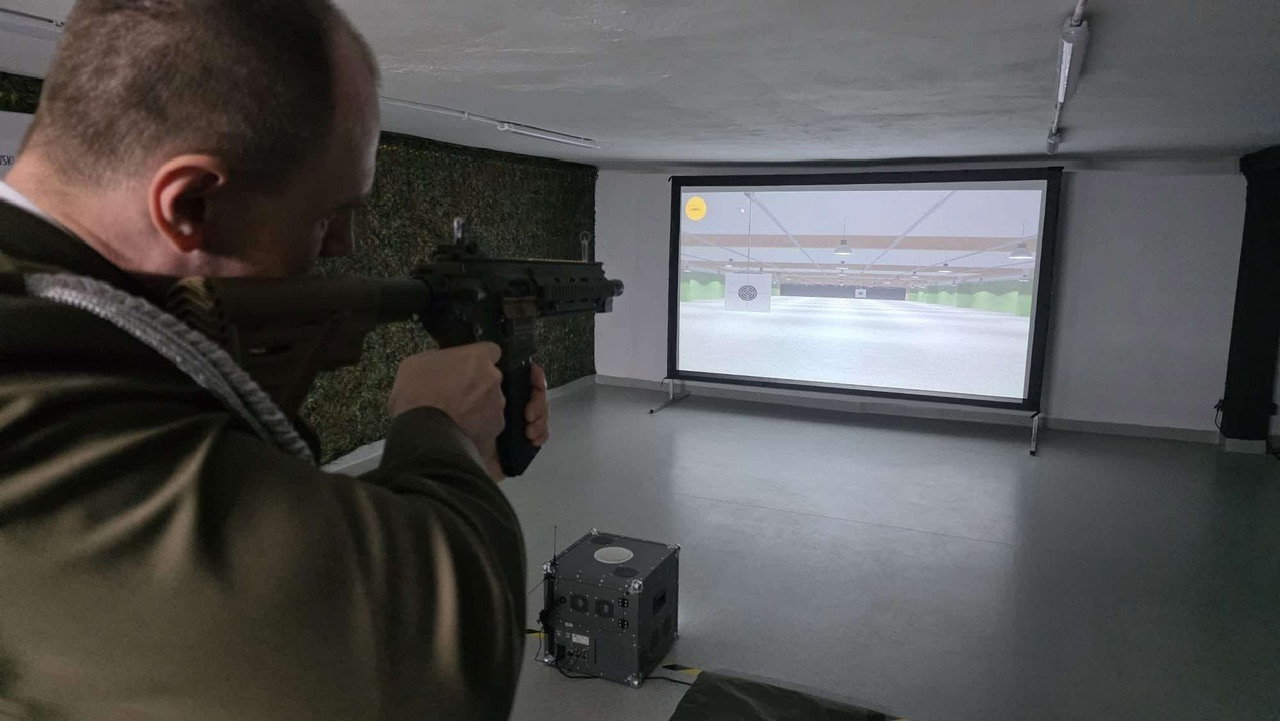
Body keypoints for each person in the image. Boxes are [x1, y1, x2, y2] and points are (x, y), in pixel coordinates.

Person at [0, 1, 546, 718]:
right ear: (189, 205)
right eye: (325, 216)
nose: (343, 245)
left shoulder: (65, 313)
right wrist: (436, 429)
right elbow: (419, 666)